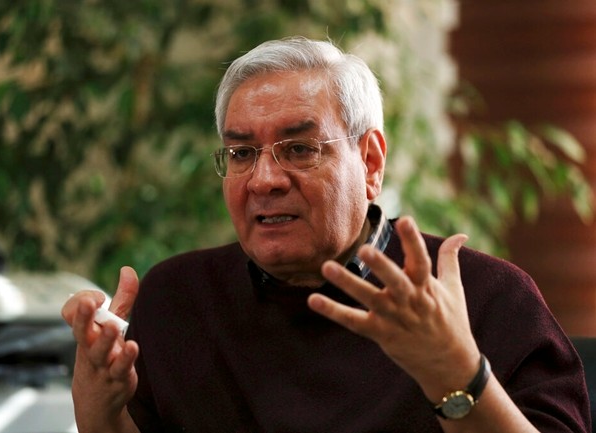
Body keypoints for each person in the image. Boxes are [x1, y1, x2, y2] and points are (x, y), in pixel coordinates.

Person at [61, 36, 591, 432]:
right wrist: (99, 413)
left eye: (299, 149)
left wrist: (456, 375)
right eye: (242, 153)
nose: (264, 180)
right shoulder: (178, 299)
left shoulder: (485, 299)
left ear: (370, 162)